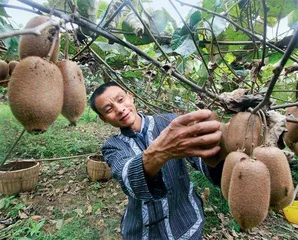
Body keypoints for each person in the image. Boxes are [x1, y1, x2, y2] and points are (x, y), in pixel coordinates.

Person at [90, 81, 224, 240]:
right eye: (109, 109)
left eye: (120, 100)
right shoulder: (112, 146)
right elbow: (127, 177)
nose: (119, 109)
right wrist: (162, 151)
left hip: (187, 222)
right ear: (103, 118)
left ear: (131, 97)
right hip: (143, 232)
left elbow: (201, 159)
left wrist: (221, 152)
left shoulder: (169, 122)